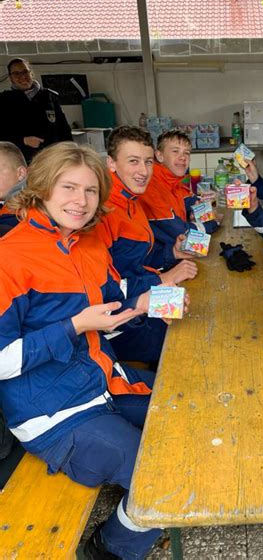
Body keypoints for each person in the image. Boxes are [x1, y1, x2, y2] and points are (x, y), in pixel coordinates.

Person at [0, 142, 168, 559]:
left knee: (183, 412)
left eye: (91, 191)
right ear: (40, 187)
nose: (80, 201)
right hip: (53, 413)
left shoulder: (87, 241)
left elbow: (111, 301)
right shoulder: (9, 256)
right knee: (160, 477)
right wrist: (74, 326)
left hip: (103, 381)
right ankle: (109, 548)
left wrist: (142, 304)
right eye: (68, 187)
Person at [97, 126, 197, 363]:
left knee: (194, 317)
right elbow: (101, 288)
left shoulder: (132, 200)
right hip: (115, 326)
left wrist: (172, 253)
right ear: (111, 164)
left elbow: (138, 260)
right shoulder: (101, 210)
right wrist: (160, 280)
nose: (144, 171)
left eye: (148, 162)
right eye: (133, 161)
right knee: (188, 343)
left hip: (138, 302)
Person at [140, 129, 219, 269]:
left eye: (186, 153)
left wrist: (204, 211)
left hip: (179, 258)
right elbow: (182, 233)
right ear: (159, 156)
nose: (183, 157)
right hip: (158, 267)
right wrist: (212, 223)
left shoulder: (175, 181)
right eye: (175, 151)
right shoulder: (150, 186)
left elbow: (198, 205)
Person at [0, 58, 72, 163]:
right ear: (11, 78)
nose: (22, 77)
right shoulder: (4, 101)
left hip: (51, 159)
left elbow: (64, 130)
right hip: (21, 161)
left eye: (25, 72)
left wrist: (69, 155)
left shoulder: (49, 97)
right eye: (16, 74)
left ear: (31, 73)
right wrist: (23, 140)